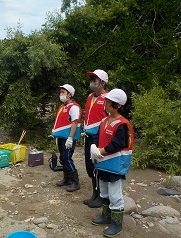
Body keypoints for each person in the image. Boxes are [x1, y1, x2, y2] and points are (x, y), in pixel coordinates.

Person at [90, 89, 134, 237]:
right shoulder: (104, 121)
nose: (106, 104)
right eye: (106, 101)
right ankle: (106, 216)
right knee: (104, 191)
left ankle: (117, 224)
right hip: (103, 164)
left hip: (115, 166)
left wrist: (100, 151)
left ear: (118, 105)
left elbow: (117, 144)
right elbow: (97, 136)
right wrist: (93, 146)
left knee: (115, 195)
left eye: (109, 102)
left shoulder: (122, 124)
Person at [83, 69, 109, 208]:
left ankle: (101, 196)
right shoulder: (90, 96)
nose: (92, 82)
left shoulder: (108, 99)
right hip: (88, 136)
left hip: (99, 138)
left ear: (103, 82)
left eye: (95, 79)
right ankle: (94, 193)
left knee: (98, 167)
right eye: (91, 79)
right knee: (90, 166)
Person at [52, 84, 82, 192]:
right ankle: (66, 178)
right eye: (61, 92)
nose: (61, 95)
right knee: (62, 158)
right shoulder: (62, 107)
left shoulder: (73, 107)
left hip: (68, 138)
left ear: (70, 94)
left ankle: (75, 181)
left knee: (67, 159)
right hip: (61, 137)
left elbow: (74, 122)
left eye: (63, 92)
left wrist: (70, 138)